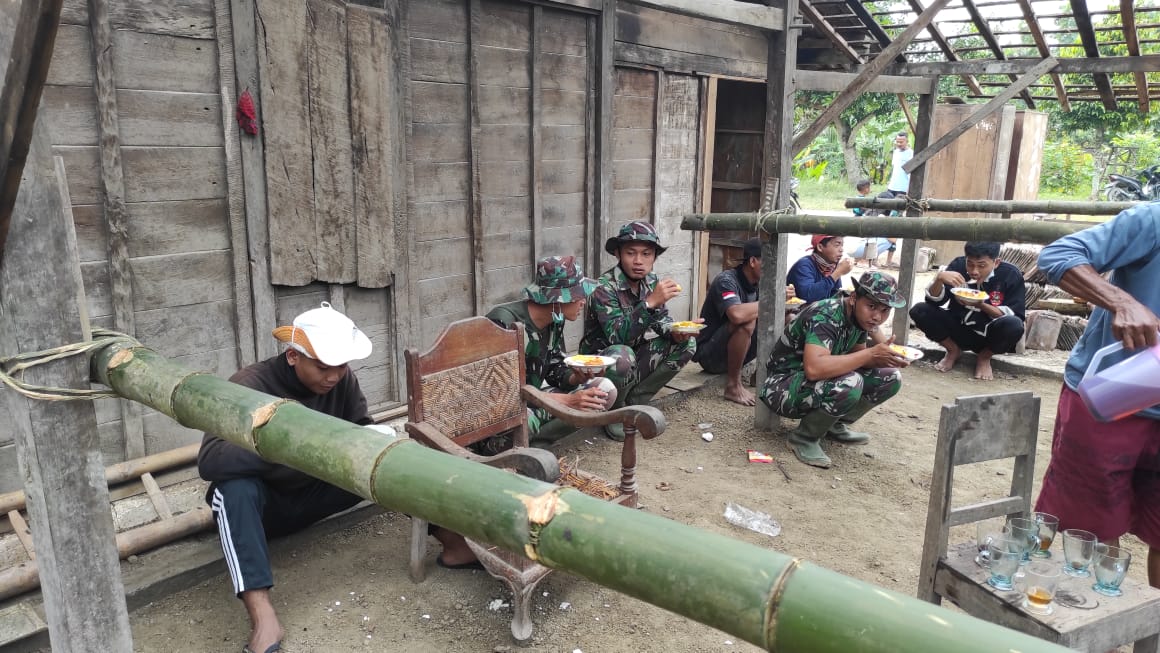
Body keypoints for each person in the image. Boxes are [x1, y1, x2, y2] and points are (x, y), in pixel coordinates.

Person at [198, 303, 476, 653]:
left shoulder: (341, 382)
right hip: (270, 507)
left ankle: (453, 542)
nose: (333, 376)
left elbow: (359, 429)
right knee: (232, 492)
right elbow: (210, 461)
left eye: (342, 366)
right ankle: (262, 613)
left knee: (387, 459)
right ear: (293, 356)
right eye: (323, 367)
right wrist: (288, 445)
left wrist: (374, 438)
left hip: (319, 490)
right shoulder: (249, 386)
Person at [1032, 201, 1160, 590]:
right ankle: (1093, 632)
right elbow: (1057, 255)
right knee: (1090, 523)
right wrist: (1122, 301)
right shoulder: (1152, 220)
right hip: (1115, 390)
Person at [759, 271, 909, 469]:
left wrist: (886, 359)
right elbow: (814, 369)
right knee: (851, 382)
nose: (877, 317)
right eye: (871, 306)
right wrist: (870, 355)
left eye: (884, 310)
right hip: (782, 385)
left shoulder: (860, 319)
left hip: (809, 381)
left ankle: (832, 424)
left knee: (890, 378)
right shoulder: (827, 314)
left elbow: (859, 358)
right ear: (854, 298)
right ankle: (803, 438)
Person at [580, 220, 697, 440]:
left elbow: (661, 320)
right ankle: (615, 411)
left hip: (632, 354)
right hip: (601, 364)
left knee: (687, 344)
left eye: (646, 254)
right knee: (623, 356)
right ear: (618, 254)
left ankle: (635, 402)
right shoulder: (604, 287)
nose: (638, 261)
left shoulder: (651, 281)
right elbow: (618, 335)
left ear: (654, 257)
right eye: (631, 253)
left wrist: (676, 331)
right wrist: (649, 303)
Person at [486, 255, 617, 444]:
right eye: (578, 295)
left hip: (533, 400)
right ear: (558, 298)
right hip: (500, 413)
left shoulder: (555, 320)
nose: (583, 301)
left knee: (603, 391)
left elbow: (555, 368)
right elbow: (498, 395)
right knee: (526, 419)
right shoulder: (503, 322)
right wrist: (567, 402)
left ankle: (538, 445)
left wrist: (577, 377)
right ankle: (508, 453)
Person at [691, 238, 796, 406]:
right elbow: (737, 315)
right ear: (753, 261)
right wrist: (774, 299)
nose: (774, 268)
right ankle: (733, 386)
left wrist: (784, 305)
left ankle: (762, 373)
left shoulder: (762, 283)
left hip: (740, 351)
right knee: (746, 322)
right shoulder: (726, 281)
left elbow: (768, 313)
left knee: (789, 320)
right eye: (770, 262)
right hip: (711, 356)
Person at [909, 241, 1026, 381]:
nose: (974, 271)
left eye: (982, 265)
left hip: (988, 336)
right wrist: (939, 279)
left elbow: (1015, 315)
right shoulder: (957, 266)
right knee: (920, 310)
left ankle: (984, 357)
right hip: (957, 329)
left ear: (996, 262)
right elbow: (934, 301)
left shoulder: (1010, 274)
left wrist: (981, 305)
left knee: (1014, 325)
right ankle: (953, 351)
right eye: (970, 264)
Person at [787, 234, 854, 304]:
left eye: (842, 245)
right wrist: (837, 273)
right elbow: (808, 296)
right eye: (837, 245)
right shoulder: (804, 265)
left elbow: (834, 295)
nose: (841, 250)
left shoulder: (832, 266)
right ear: (820, 247)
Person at [849, 180, 898, 270]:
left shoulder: (869, 210)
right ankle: (864, 260)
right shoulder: (880, 216)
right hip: (856, 247)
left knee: (875, 237)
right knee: (888, 241)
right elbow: (893, 240)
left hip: (850, 246)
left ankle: (863, 258)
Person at [887, 131, 912, 198]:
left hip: (903, 188)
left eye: (901, 142)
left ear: (907, 141)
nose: (899, 144)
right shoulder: (895, 152)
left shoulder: (911, 154)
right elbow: (894, 169)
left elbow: (911, 174)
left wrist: (909, 189)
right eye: (897, 141)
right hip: (892, 187)